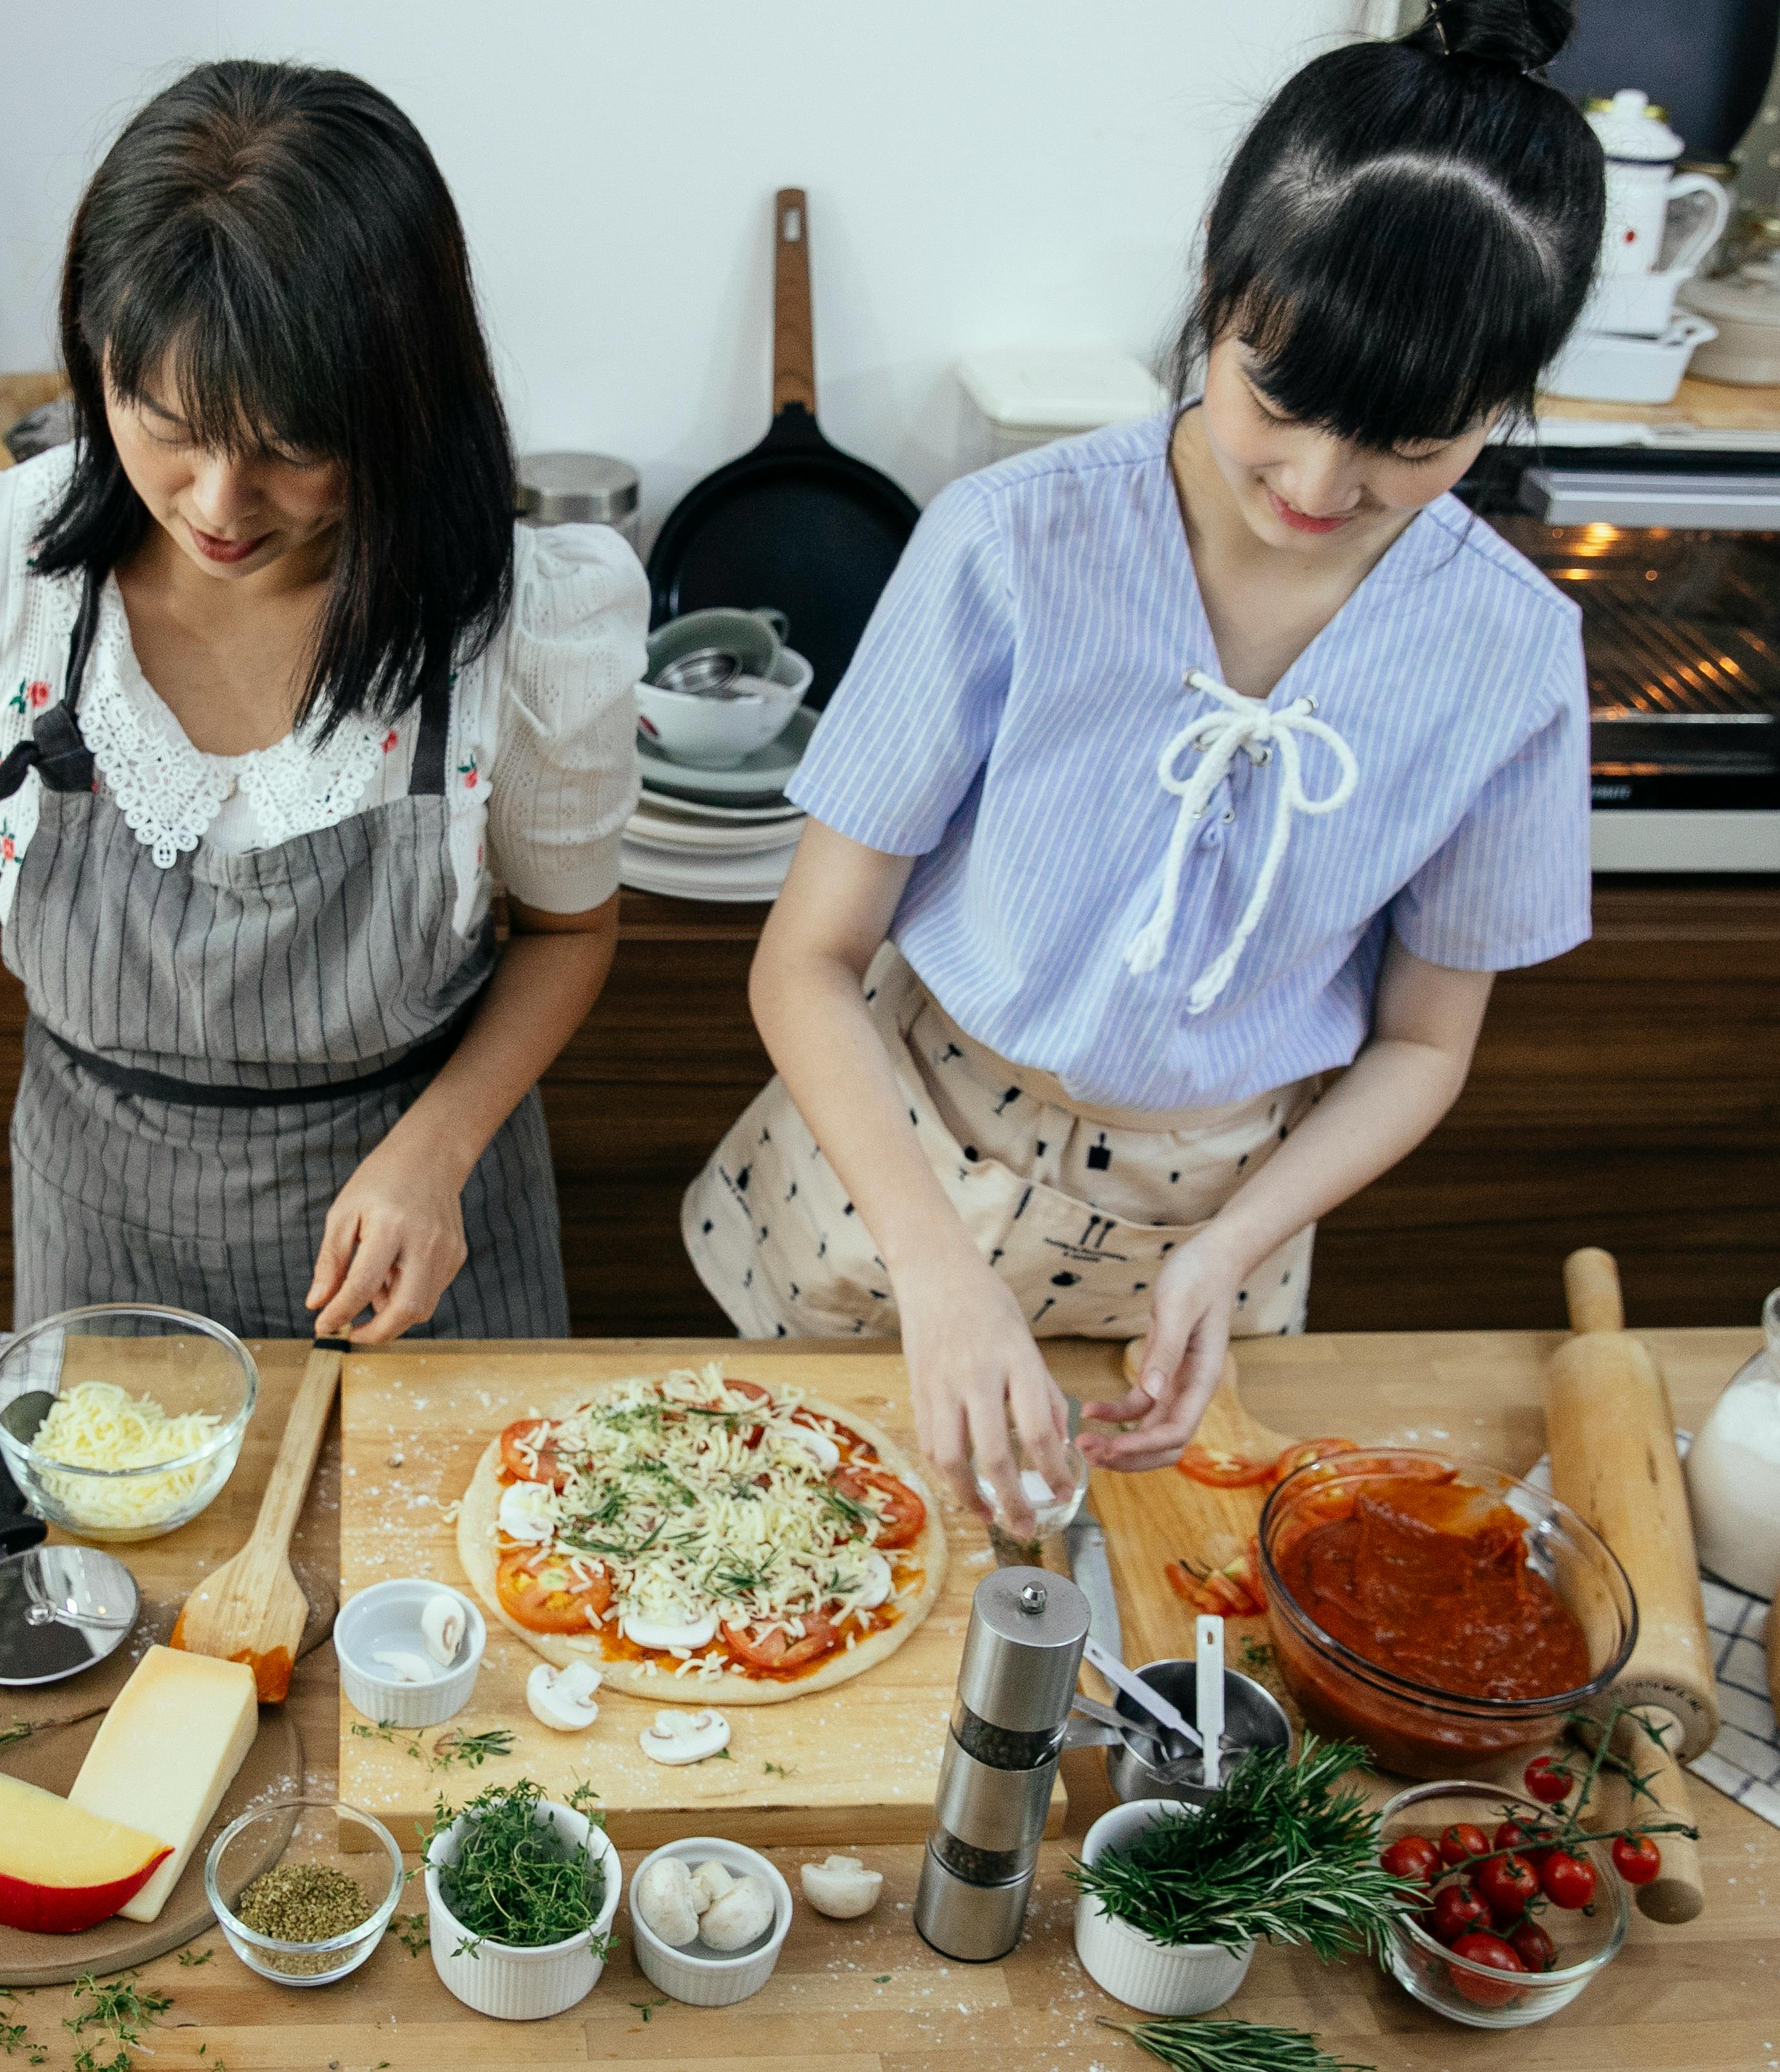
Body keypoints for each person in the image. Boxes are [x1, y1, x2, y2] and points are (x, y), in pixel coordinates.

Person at [686, 0, 1605, 1528]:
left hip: (1220, 1213)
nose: (1318, 483)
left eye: (1413, 446)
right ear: (1217, 290)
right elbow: (809, 961)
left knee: (1153, 1606)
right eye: (1278, 399)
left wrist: (1231, 1246)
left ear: (1506, 405)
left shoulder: (1505, 654)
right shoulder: (1009, 540)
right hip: (896, 1164)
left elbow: (1423, 1045)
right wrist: (936, 1265)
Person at [0, 61, 645, 1352]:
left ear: (401, 406)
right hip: (96, 1233)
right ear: (94, 353)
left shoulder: (513, 622)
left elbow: (570, 930)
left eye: (291, 445)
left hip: (419, 1242)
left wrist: (437, 1150)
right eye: (164, 421)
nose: (219, 504)